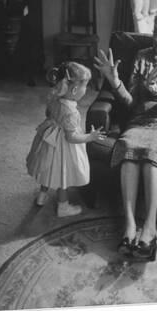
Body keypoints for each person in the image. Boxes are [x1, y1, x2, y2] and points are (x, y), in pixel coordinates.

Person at [94, 8, 157, 260]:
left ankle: (149, 227)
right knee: (128, 152)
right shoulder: (141, 56)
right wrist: (115, 81)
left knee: (150, 157)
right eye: (154, 33)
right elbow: (130, 101)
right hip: (140, 120)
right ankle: (129, 224)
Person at [26, 61, 106, 217]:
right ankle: (63, 206)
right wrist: (90, 137)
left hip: (49, 139)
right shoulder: (71, 112)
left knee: (48, 169)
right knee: (62, 175)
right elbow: (72, 137)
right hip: (63, 147)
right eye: (85, 86)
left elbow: (49, 115)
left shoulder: (55, 98)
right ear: (75, 89)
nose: (86, 90)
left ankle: (42, 196)